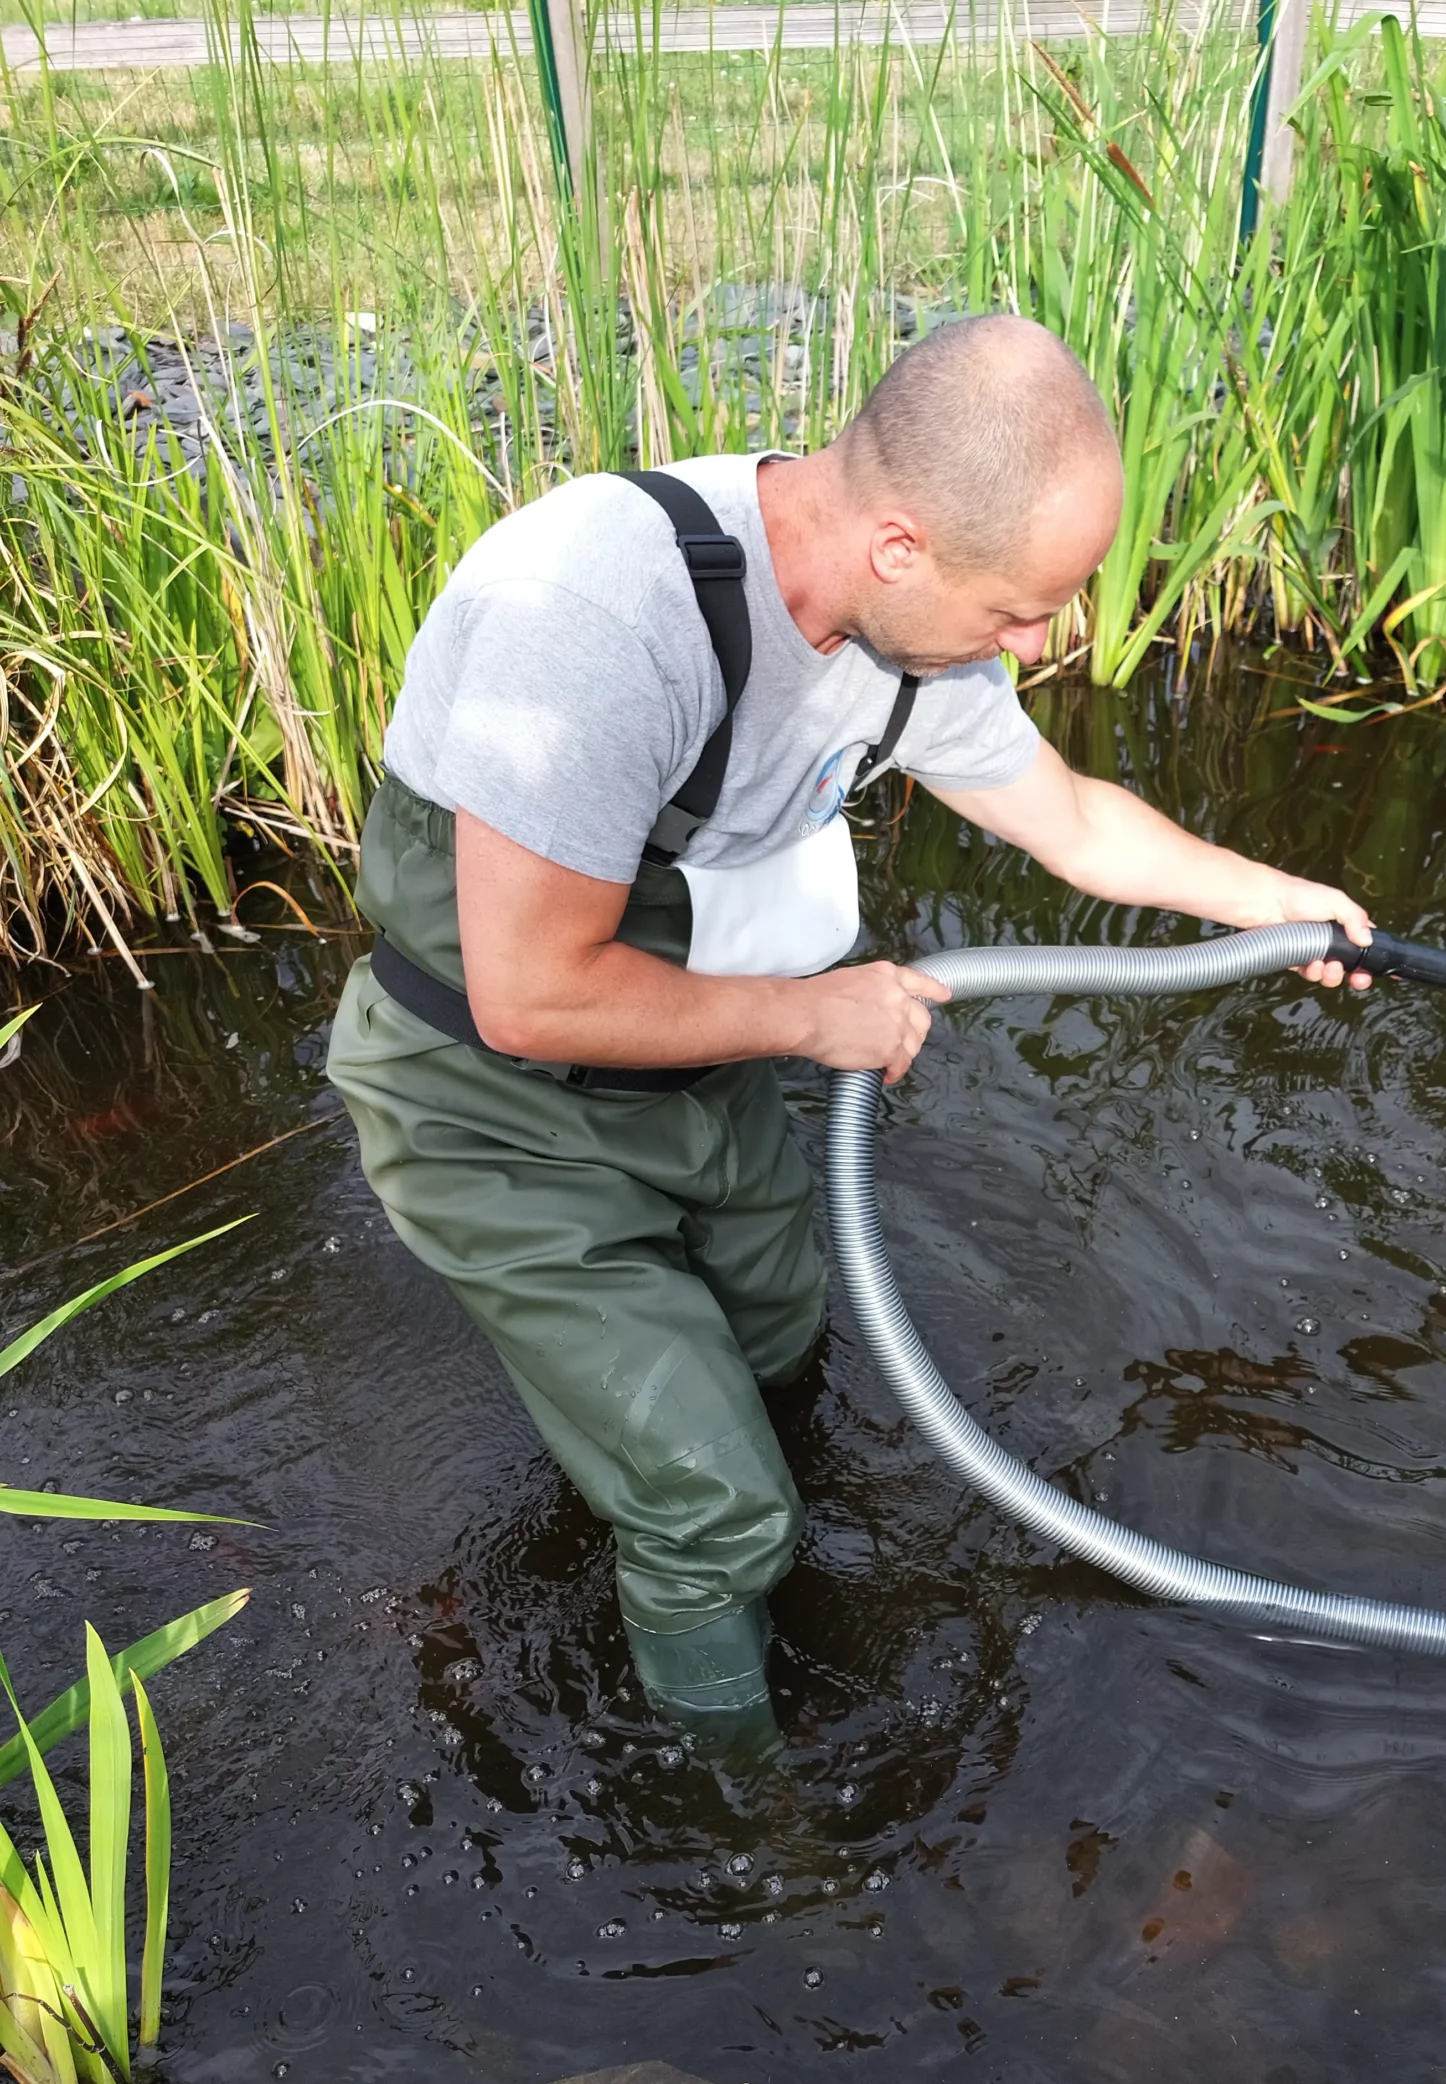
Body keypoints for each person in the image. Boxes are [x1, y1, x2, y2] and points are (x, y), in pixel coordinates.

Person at [327, 314, 1372, 1721]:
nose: (1041, 642)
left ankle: (696, 1525)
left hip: (699, 1058)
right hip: (488, 1101)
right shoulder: (600, 615)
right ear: (899, 547)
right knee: (717, 1511)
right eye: (1018, 612)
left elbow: (1065, 817)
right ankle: (749, 1839)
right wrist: (820, 1020)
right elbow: (530, 994)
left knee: (781, 1342)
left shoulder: (909, 639)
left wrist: (1272, 900)